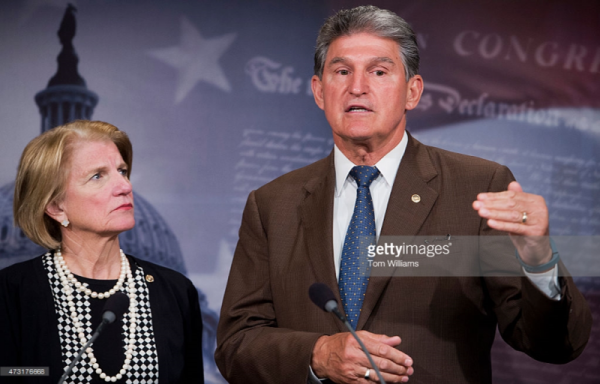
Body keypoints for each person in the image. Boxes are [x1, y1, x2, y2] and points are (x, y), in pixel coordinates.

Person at [215, 5, 592, 384]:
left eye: (379, 72)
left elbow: (555, 344)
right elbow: (236, 346)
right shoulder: (272, 204)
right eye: (342, 71)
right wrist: (319, 354)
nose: (357, 87)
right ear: (318, 90)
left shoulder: (478, 187)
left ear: (412, 91)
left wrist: (539, 259)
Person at [0, 120, 204, 383]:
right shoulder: (12, 292)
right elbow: (7, 373)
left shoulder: (175, 291)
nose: (125, 187)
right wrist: (43, 372)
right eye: (98, 175)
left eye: (122, 171)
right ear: (56, 207)